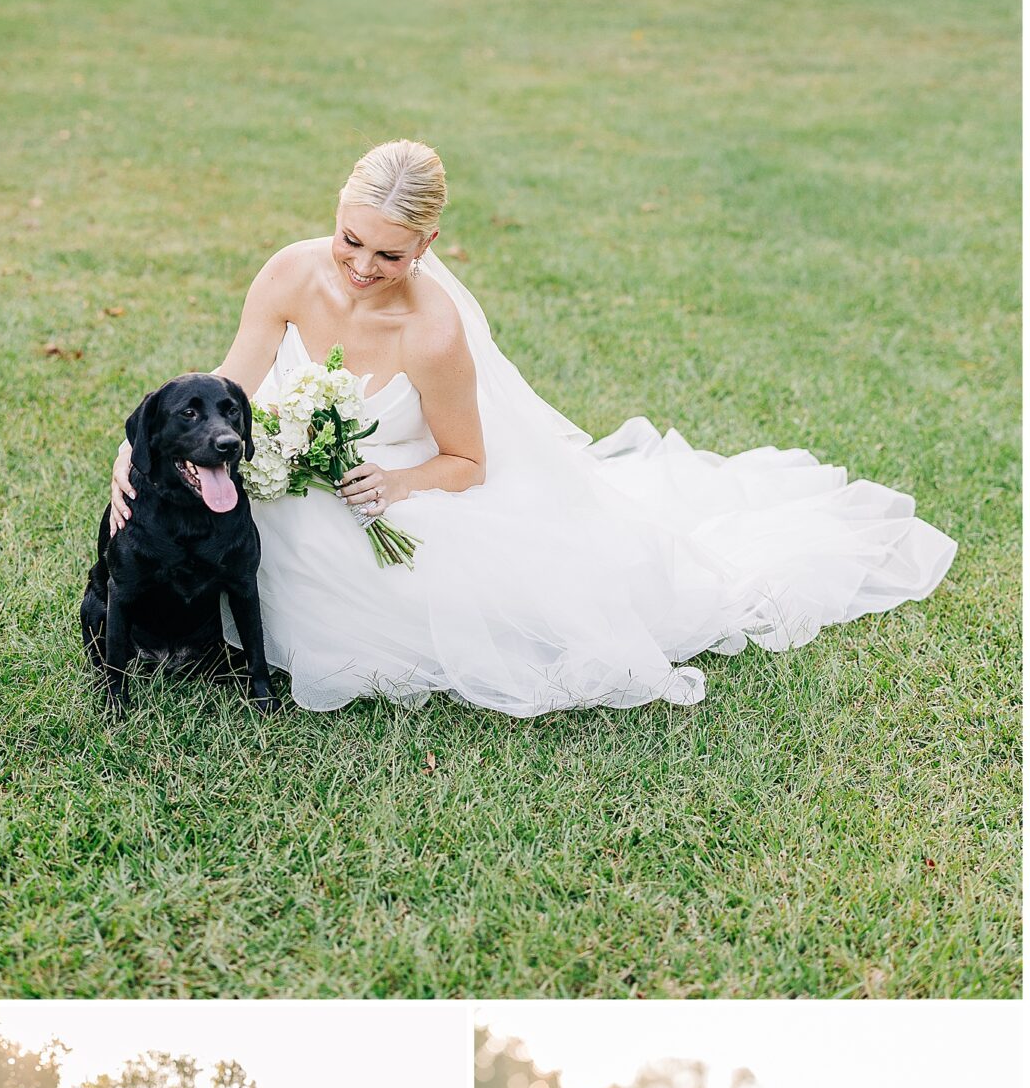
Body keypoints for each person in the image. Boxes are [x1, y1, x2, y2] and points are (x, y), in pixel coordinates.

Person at [111, 140, 955, 715]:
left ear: (428, 244)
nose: (364, 269)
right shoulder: (291, 272)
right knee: (255, 523)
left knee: (373, 573)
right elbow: (230, 383)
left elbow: (467, 461)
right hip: (301, 471)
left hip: (401, 485)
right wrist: (134, 452)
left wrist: (393, 482)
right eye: (351, 241)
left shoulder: (434, 331)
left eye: (391, 255)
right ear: (335, 215)